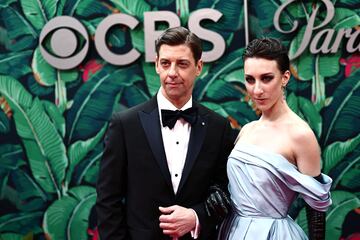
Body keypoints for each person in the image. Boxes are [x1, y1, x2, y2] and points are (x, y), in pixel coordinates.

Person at [96, 26, 236, 240]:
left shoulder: (218, 128)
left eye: (182, 64)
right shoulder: (126, 124)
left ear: (198, 67)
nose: (172, 73)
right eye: (165, 63)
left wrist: (196, 216)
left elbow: (227, 192)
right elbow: (108, 200)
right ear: (156, 65)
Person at [217, 38, 332, 240]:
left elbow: (316, 209)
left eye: (266, 78)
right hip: (233, 231)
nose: (257, 89)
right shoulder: (247, 130)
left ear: (285, 77)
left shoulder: (300, 134)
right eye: (250, 79)